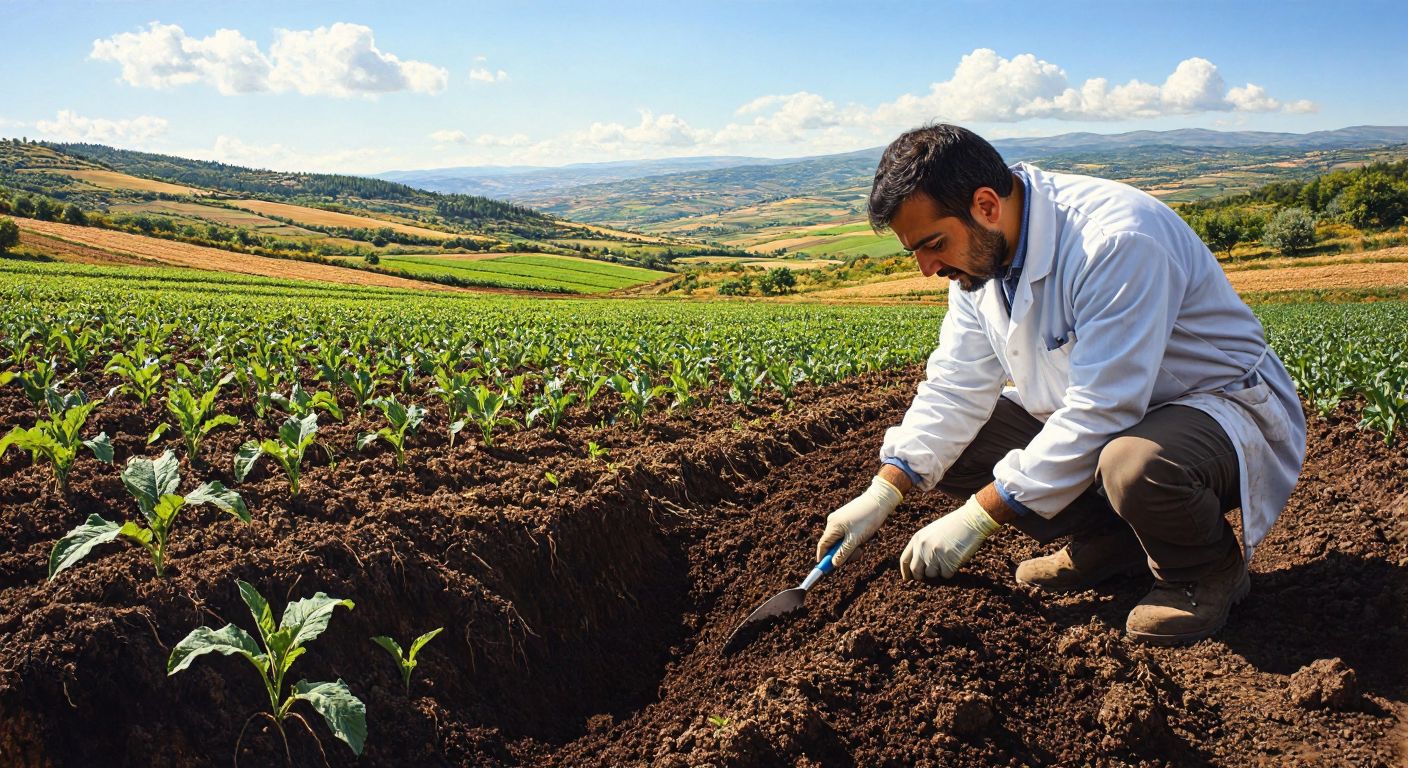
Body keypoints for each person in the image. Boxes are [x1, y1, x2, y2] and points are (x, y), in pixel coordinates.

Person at [816, 124, 1306, 645]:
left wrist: (978, 517)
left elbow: (1103, 410)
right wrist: (884, 490)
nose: (926, 268)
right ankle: (1113, 542)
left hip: (1214, 408)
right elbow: (956, 385)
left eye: (933, 244)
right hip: (1108, 414)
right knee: (961, 446)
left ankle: (1203, 572)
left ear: (985, 205)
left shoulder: (1114, 240)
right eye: (915, 250)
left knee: (1133, 464)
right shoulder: (980, 263)